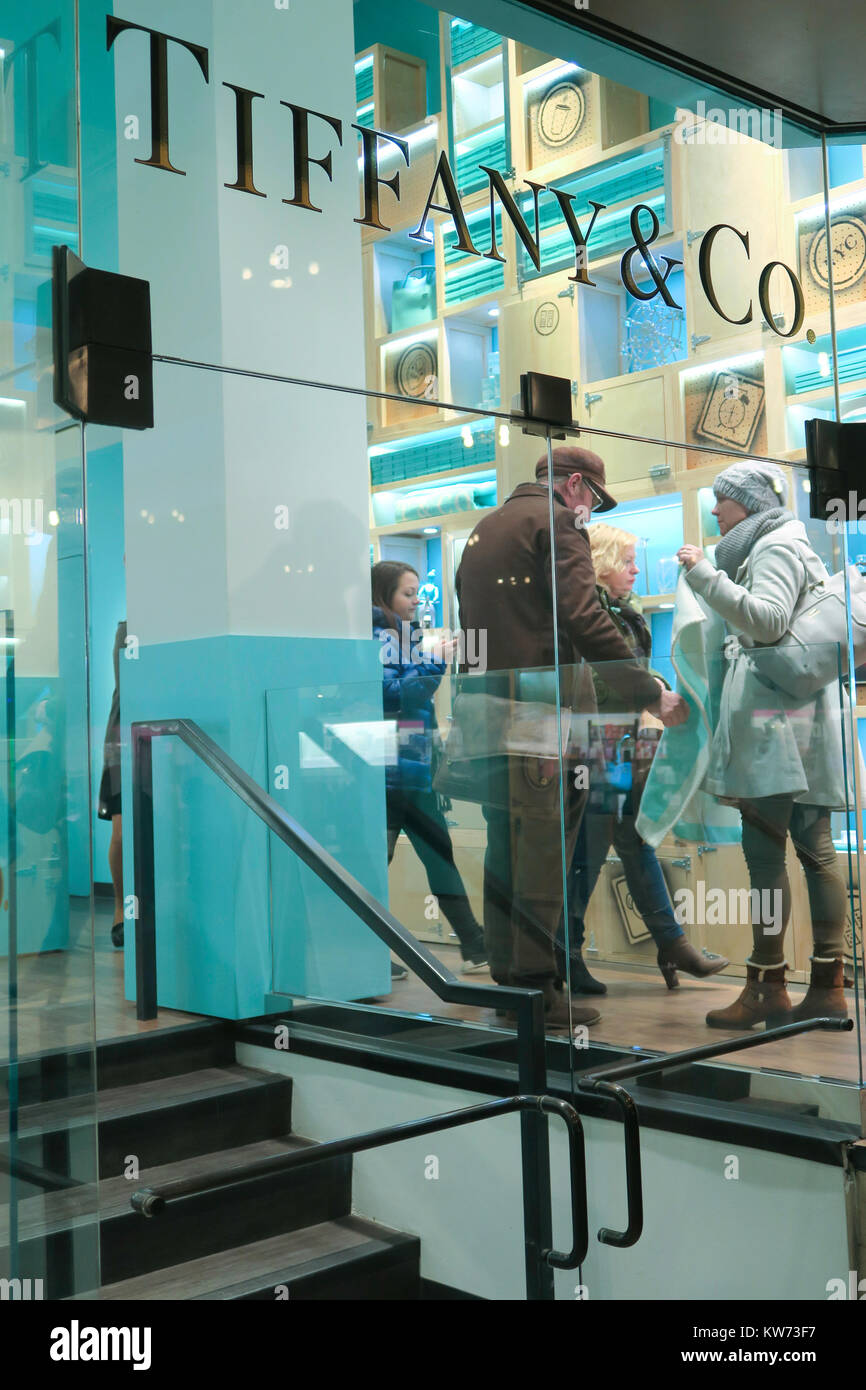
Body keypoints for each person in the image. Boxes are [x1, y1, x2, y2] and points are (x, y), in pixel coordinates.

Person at [455, 445, 689, 1030]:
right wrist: (647, 692)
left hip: (487, 713)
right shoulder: (559, 522)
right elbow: (586, 619)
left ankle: (511, 983)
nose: (592, 512)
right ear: (576, 484)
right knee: (543, 851)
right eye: (594, 500)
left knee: (505, 850)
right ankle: (539, 991)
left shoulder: (485, 529)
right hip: (546, 715)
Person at [677, 460, 852, 1028]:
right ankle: (826, 986)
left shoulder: (772, 546)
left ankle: (766, 985)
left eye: (721, 500)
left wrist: (706, 575)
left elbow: (770, 622)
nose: (714, 510)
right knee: (815, 851)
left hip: (776, 728)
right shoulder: (790, 542)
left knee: (765, 858)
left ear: (748, 502)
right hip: (800, 723)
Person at [563, 522, 729, 994]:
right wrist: (655, 691)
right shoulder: (593, 614)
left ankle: (665, 943)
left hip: (614, 740)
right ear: (603, 564)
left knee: (628, 841)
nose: (636, 570)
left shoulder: (616, 610)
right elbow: (597, 682)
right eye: (628, 561)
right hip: (594, 743)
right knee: (590, 852)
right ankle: (572, 955)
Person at [372, 561, 488, 978]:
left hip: (411, 769)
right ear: (383, 595)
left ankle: (474, 944)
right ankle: (370, 952)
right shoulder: (377, 638)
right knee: (380, 864)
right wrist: (434, 661)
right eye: (407, 594)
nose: (415, 602)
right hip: (388, 772)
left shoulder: (403, 638)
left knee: (438, 854)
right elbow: (393, 696)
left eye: (417, 594)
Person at [98, 619, 127, 948]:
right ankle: (120, 908)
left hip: (162, 739)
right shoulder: (126, 627)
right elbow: (128, 682)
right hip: (122, 743)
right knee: (120, 833)